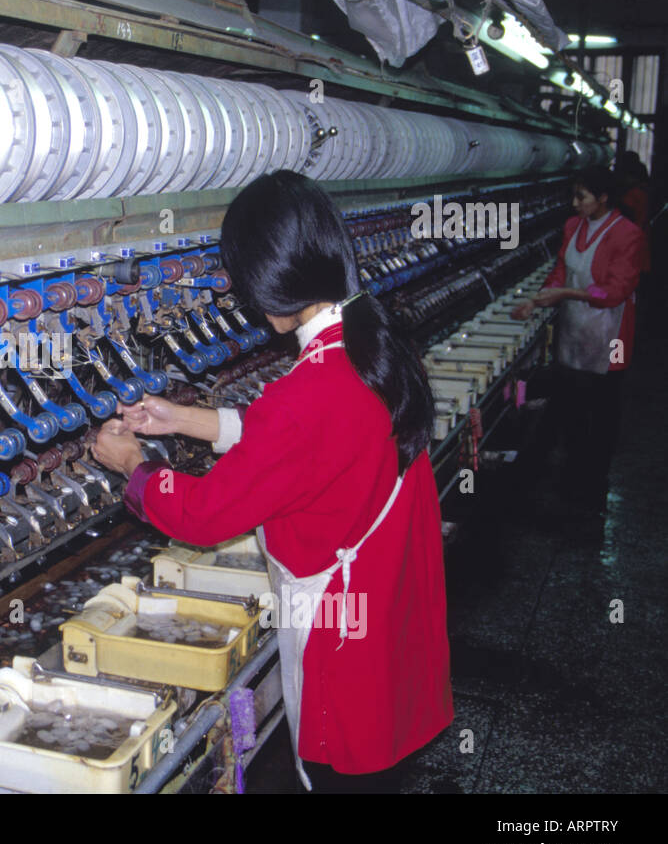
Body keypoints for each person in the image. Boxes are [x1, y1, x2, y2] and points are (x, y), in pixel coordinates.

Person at [92, 171, 452, 793]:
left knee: (340, 772)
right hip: (385, 606)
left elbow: (203, 514)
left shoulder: (311, 393)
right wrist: (181, 418)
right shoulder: (371, 344)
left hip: (341, 634)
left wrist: (133, 465)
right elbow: (298, 448)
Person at [512, 167, 647, 513]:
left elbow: (615, 291)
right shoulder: (573, 227)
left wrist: (566, 293)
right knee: (571, 410)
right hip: (574, 332)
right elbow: (561, 269)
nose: (575, 204)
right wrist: (537, 299)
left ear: (603, 198)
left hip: (610, 338)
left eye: (581, 197)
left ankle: (591, 491)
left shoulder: (627, 234)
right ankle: (570, 481)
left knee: (601, 416)